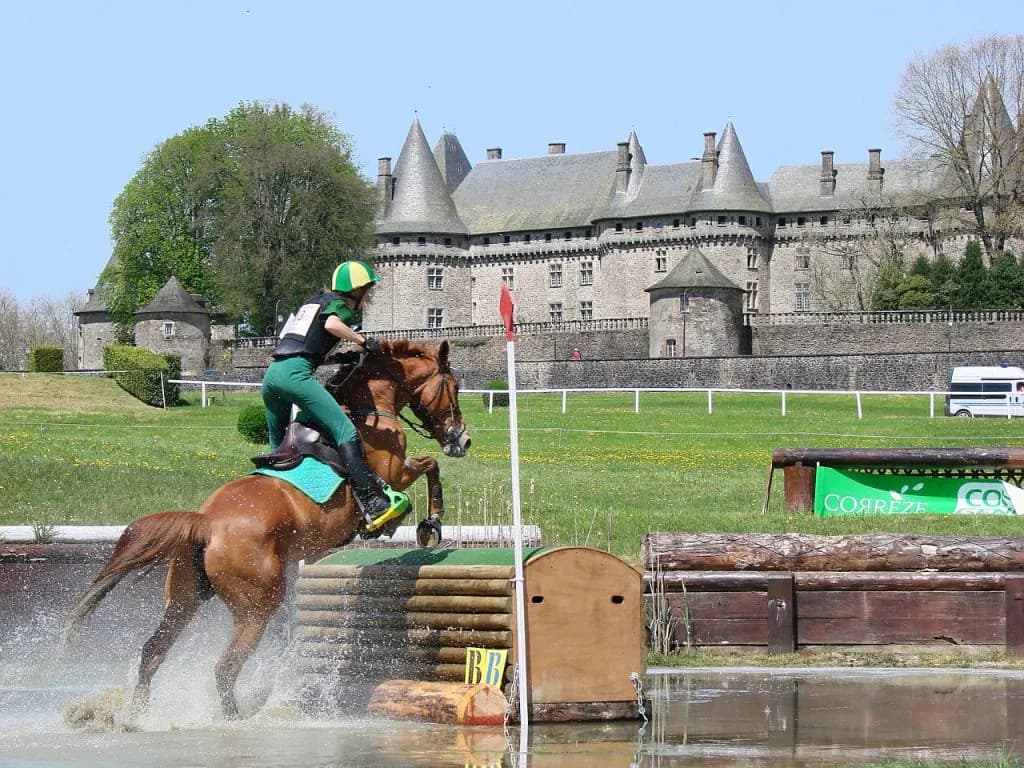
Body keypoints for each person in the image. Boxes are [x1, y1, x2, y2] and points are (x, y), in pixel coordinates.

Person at [260, 260, 408, 527]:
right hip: (295, 377)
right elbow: (331, 325)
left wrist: (341, 356)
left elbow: (303, 348)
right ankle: (372, 503)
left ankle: (272, 503)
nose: (369, 297)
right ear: (357, 290)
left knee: (279, 447)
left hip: (272, 376)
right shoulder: (339, 307)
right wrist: (363, 341)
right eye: (368, 291)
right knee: (346, 432)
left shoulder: (312, 302)